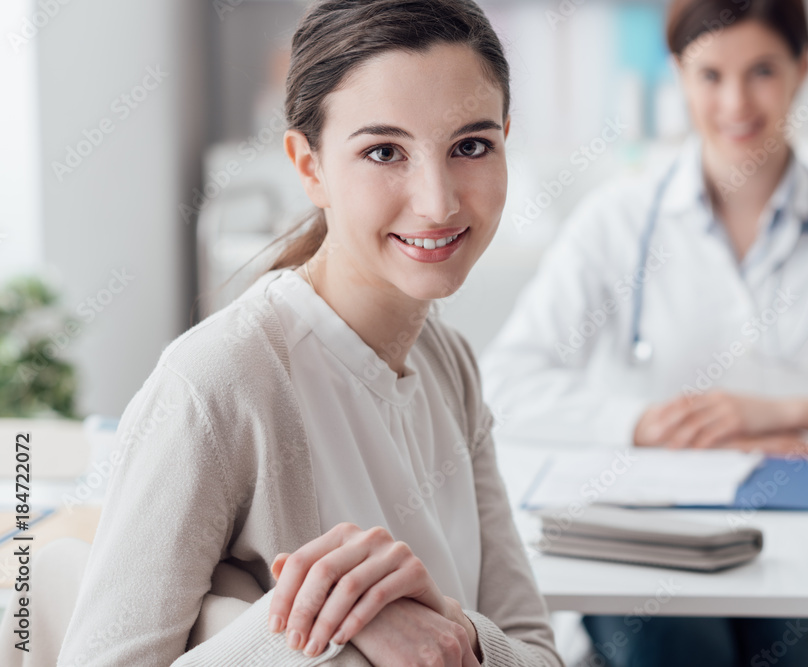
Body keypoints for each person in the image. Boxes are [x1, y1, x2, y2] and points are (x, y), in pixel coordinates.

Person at [480, 0, 808, 665]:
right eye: (711, 75)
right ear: (678, 73)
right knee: (671, 646)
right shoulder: (616, 221)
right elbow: (506, 382)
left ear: (803, 68)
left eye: (762, 71)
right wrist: (645, 423)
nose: (736, 103)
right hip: (657, 543)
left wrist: (798, 413)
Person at [53, 1, 563, 665]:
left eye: (470, 146)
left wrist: (461, 634)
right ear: (308, 165)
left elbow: (538, 651)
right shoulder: (217, 384)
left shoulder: (449, 361)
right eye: (384, 152)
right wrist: (319, 625)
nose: (437, 201)